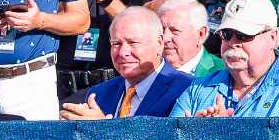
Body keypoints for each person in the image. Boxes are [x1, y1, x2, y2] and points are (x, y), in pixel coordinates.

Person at [170, 0, 279, 118]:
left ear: (273, 37)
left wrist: (219, 135)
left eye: (243, 35)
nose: (233, 42)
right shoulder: (197, 89)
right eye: (227, 34)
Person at [59, 7, 195, 119]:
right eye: (116, 44)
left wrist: (101, 129)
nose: (123, 52)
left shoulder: (186, 89)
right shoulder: (98, 94)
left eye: (133, 43)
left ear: (159, 43)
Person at [157, 0, 223, 81]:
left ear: (201, 34)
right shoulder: (147, 68)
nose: (165, 38)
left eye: (175, 30)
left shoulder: (223, 73)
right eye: (161, 29)